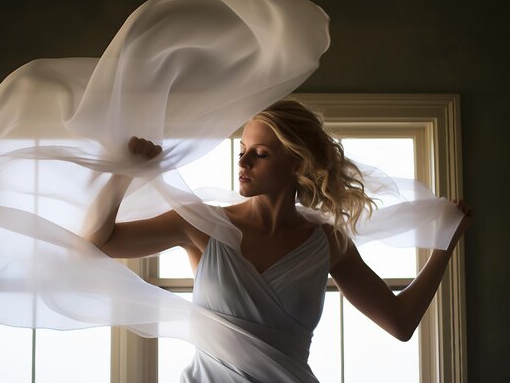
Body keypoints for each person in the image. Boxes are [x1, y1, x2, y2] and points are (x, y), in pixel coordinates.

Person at [86, 99, 472, 383]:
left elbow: (400, 323)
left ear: (297, 164)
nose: (243, 164)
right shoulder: (200, 224)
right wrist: (123, 173)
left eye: (260, 154)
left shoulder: (328, 242)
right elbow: (98, 242)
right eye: (242, 152)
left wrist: (443, 248)